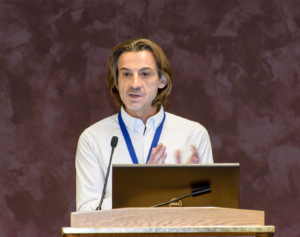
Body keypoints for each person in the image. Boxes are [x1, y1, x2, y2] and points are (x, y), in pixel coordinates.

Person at [76, 38, 213, 211]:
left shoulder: (193, 134)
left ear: (162, 81)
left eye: (145, 74)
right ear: (116, 82)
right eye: (126, 74)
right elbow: (86, 213)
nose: (134, 84)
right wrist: (142, 187)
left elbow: (208, 210)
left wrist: (185, 190)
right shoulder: (92, 138)